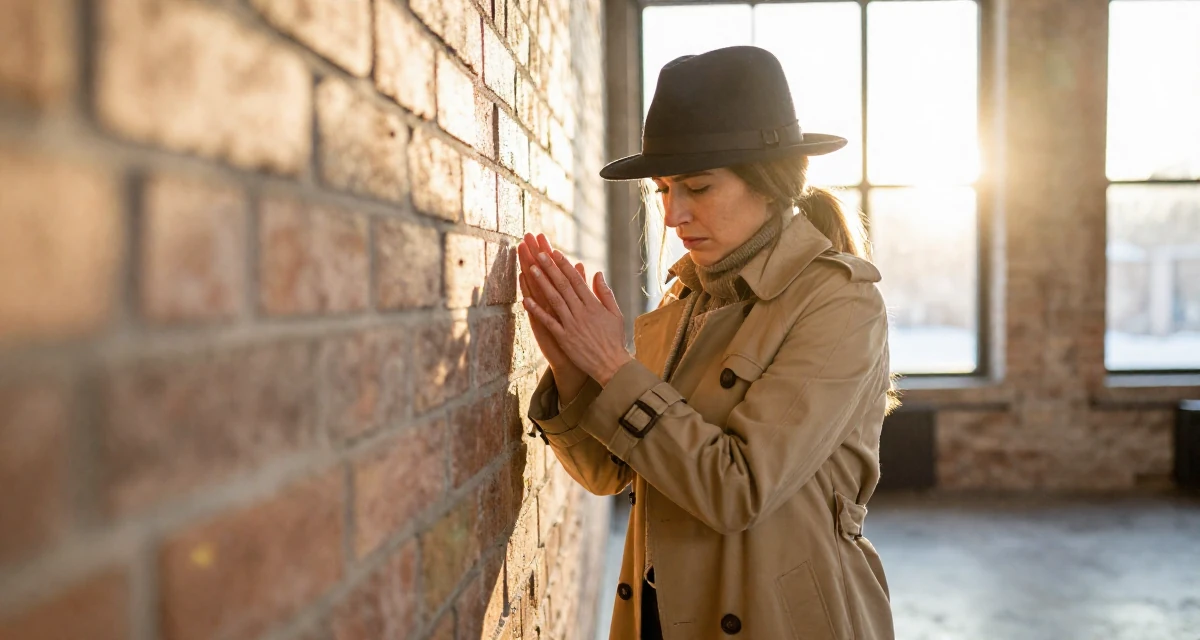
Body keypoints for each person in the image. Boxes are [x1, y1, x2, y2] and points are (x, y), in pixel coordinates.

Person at [517, 45, 897, 640]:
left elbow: (737, 489)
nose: (673, 215)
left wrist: (612, 366)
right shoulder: (686, 297)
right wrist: (573, 368)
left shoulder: (841, 303)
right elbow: (610, 474)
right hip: (660, 613)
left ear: (771, 185)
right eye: (664, 189)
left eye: (698, 186)